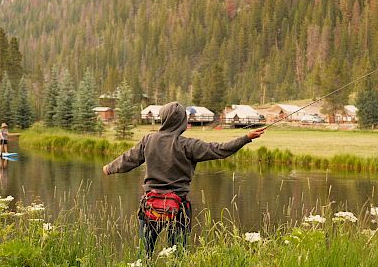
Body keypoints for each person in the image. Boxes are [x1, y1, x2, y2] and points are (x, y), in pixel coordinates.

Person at [103, 102, 265, 257]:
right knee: (177, 255)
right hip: (178, 207)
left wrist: (109, 168)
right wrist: (246, 137)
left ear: (164, 119)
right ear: (181, 121)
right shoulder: (188, 145)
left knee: (144, 255)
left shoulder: (148, 140)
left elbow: (128, 159)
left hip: (150, 206)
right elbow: (220, 150)